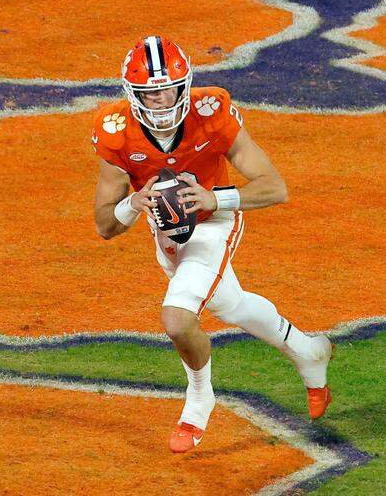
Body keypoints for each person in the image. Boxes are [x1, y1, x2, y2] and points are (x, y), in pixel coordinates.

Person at [92, 35, 334, 454]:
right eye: (151, 93)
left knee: (178, 317)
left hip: (216, 221)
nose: (162, 101)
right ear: (132, 96)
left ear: (185, 87)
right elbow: (105, 226)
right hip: (166, 231)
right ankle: (308, 350)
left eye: (169, 89)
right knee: (230, 304)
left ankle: (200, 399)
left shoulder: (213, 112)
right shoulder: (115, 132)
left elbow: (275, 187)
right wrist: (134, 202)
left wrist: (213, 198)